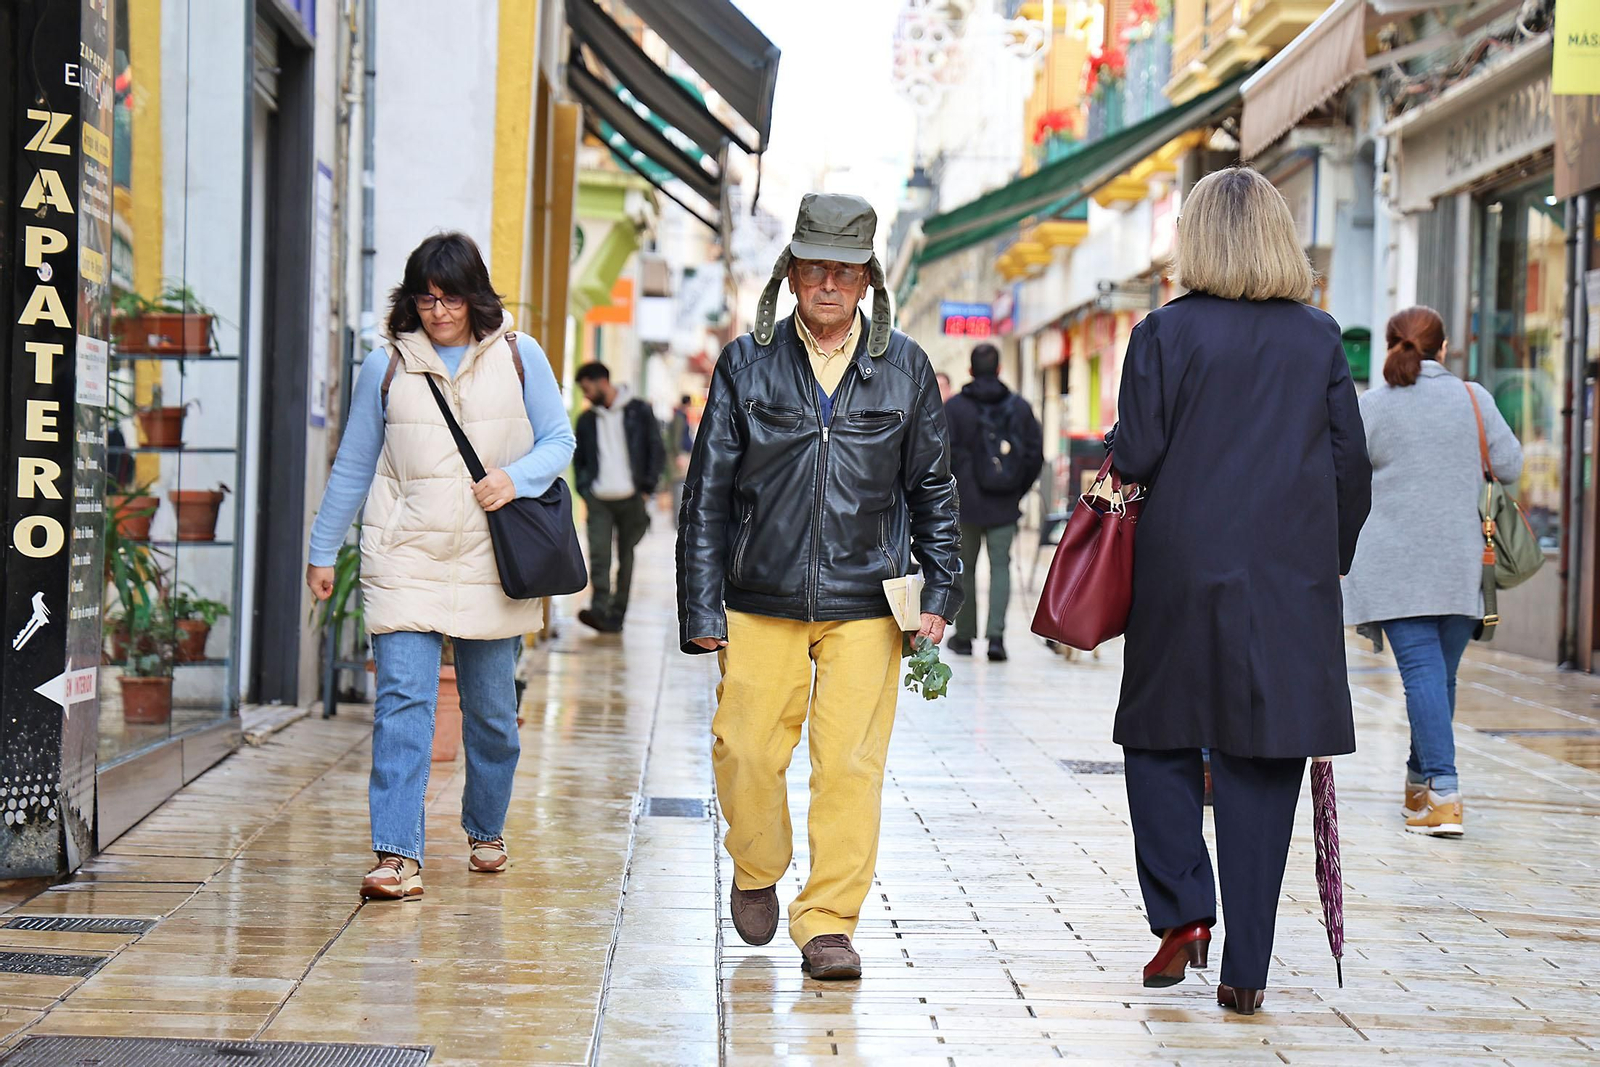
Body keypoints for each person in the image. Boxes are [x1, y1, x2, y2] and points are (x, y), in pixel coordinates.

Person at [677, 193, 961, 981]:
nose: (828, 283)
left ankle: (829, 920)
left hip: (869, 601)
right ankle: (757, 862)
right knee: (744, 751)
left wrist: (939, 592)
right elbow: (707, 495)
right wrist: (702, 605)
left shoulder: (905, 367)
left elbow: (934, 489)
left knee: (850, 765)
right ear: (792, 272)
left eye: (845, 269)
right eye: (814, 267)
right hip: (759, 595)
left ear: (867, 280)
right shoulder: (746, 363)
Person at [1109, 168, 1372, 1015]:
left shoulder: (1162, 333)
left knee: (1160, 739)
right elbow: (1349, 468)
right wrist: (1321, 561)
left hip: (1181, 571)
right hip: (1287, 582)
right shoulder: (1319, 337)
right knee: (1265, 759)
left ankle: (1185, 911)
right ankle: (1247, 967)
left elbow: (1139, 455)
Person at [305, 232, 575, 900]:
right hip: (407, 558)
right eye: (426, 298)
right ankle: (397, 853)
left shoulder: (519, 355)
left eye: (450, 297)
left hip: (492, 560)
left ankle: (485, 826)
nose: (439, 310)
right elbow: (353, 464)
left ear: (474, 295)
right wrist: (321, 548)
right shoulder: (387, 366)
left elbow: (560, 439)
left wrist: (513, 478)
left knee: (489, 713)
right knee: (402, 703)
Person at [1341, 306, 1522, 838]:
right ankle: (1423, 788)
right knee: (1437, 676)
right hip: (1461, 562)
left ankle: (1440, 790)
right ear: (1443, 349)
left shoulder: (1371, 406)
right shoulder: (1473, 398)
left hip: (1394, 568)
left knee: (1426, 677)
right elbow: (1509, 466)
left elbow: (1343, 475)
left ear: (1392, 346)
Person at [942, 342, 1043, 661]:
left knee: (965, 568)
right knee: (1001, 567)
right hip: (1004, 504)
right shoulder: (1019, 407)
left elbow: (939, 455)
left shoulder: (955, 408)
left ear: (970, 370)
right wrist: (1017, 489)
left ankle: (965, 636)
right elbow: (1034, 455)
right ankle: (997, 637)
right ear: (999, 369)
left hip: (965, 503)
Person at [573, 362, 664, 633]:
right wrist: (585, 490)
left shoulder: (639, 411)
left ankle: (617, 615)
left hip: (631, 497)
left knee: (626, 556)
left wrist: (647, 488)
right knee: (600, 555)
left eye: (587, 389)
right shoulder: (587, 420)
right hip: (599, 498)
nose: (585, 395)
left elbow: (655, 450)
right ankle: (599, 610)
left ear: (602, 382)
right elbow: (580, 460)